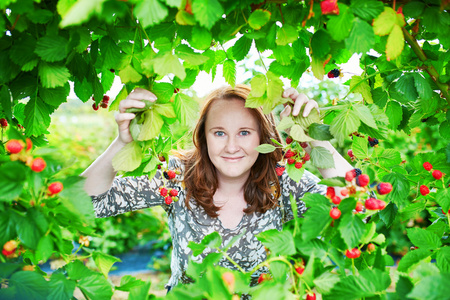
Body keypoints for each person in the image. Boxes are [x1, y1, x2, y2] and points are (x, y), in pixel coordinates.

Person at [81, 84, 353, 290]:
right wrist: (122, 143)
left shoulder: (281, 182)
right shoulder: (177, 178)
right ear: (204, 136)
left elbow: (357, 207)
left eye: (244, 132)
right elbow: (86, 203)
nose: (232, 146)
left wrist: (317, 137)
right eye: (219, 132)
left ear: (263, 136)